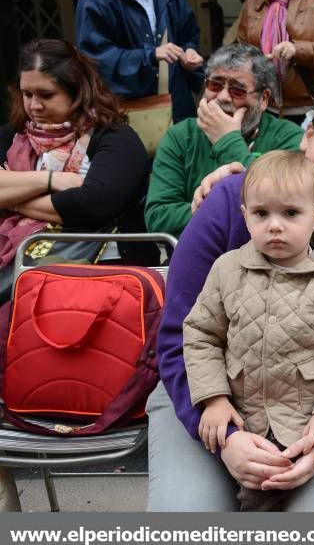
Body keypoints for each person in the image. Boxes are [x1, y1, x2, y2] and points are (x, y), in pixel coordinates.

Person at [146, 87, 314, 511]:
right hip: (208, 392)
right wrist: (220, 427)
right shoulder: (228, 203)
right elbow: (182, 333)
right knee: (186, 512)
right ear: (308, 134)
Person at [0, 38, 152, 510]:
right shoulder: (16, 138)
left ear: (77, 90)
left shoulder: (115, 139)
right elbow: (77, 199)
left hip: (91, 285)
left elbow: (95, 203)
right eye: (27, 94)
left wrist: (11, 192)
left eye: (45, 94)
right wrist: (53, 180)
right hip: (20, 271)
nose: (34, 105)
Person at [183, 150, 314, 511]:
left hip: (305, 421)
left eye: (290, 213)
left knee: (285, 494)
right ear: (245, 216)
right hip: (241, 413)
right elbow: (201, 334)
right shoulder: (228, 270)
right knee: (246, 495)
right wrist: (213, 398)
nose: (275, 225)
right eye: (261, 213)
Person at [144, 43, 303, 238]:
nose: (222, 97)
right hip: (198, 253)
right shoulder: (179, 136)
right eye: (215, 85)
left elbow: (282, 205)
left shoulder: (288, 137)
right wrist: (222, 212)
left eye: (238, 90)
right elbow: (158, 218)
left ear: (263, 99)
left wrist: (227, 141)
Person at [75, 0, 204, 123]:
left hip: (178, 104)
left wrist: (189, 52)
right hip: (130, 113)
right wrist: (150, 56)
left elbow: (187, 33)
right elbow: (95, 58)